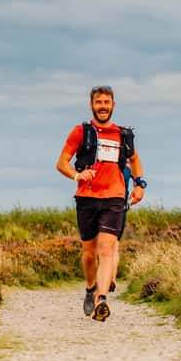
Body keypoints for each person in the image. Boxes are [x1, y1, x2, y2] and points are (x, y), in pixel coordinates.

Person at [55, 85, 146, 321]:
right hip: (87, 197)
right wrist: (77, 176)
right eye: (99, 102)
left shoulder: (123, 135)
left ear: (113, 105)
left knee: (107, 249)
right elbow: (62, 162)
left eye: (107, 102)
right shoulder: (81, 132)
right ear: (92, 105)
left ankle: (102, 299)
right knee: (89, 252)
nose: (103, 106)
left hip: (115, 197)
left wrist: (139, 185)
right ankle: (89, 288)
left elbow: (135, 161)